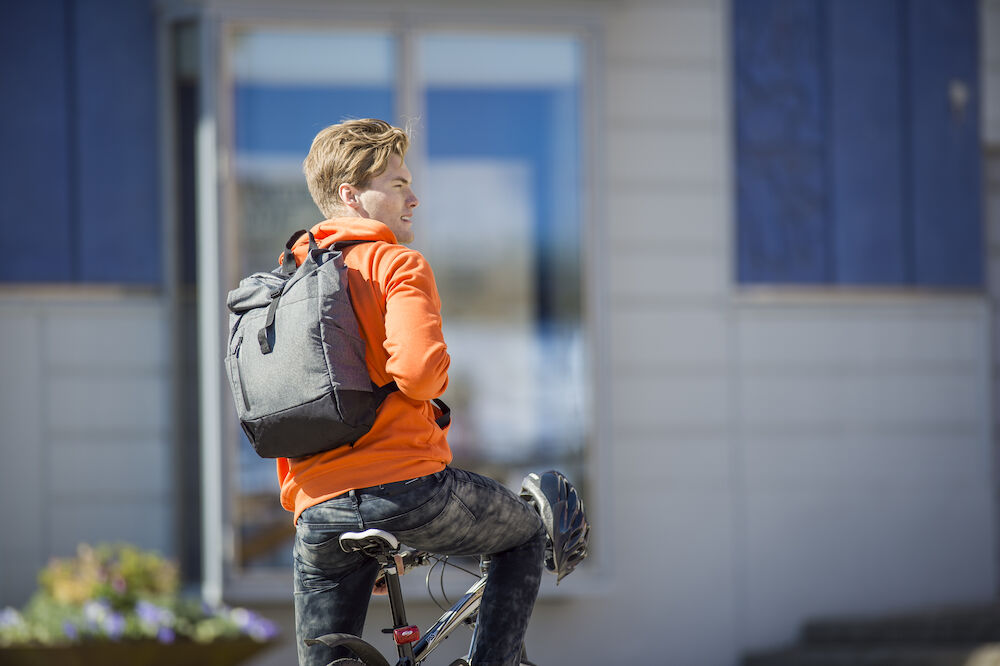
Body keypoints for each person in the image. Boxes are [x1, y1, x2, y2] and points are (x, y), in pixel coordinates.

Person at [278, 118, 546, 666]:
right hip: (405, 490)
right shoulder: (395, 262)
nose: (414, 198)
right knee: (525, 537)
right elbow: (421, 375)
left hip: (317, 510)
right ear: (352, 196)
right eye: (398, 184)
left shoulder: (286, 281)